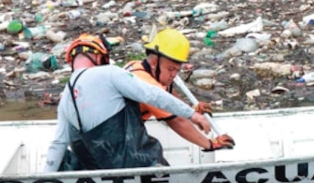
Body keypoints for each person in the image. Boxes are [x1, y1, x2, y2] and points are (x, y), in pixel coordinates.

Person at [44, 34, 215, 172]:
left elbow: (58, 144)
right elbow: (152, 94)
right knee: (152, 149)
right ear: (98, 57)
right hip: (128, 162)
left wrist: (43, 181)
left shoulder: (66, 96)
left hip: (94, 168)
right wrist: (193, 115)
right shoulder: (110, 73)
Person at [126, 28, 235, 152]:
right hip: (113, 139)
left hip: (124, 131)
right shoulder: (146, 85)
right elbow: (176, 121)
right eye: (171, 69)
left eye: (177, 70)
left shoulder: (137, 66)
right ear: (155, 62)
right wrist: (210, 144)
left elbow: (168, 95)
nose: (173, 75)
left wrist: (189, 110)